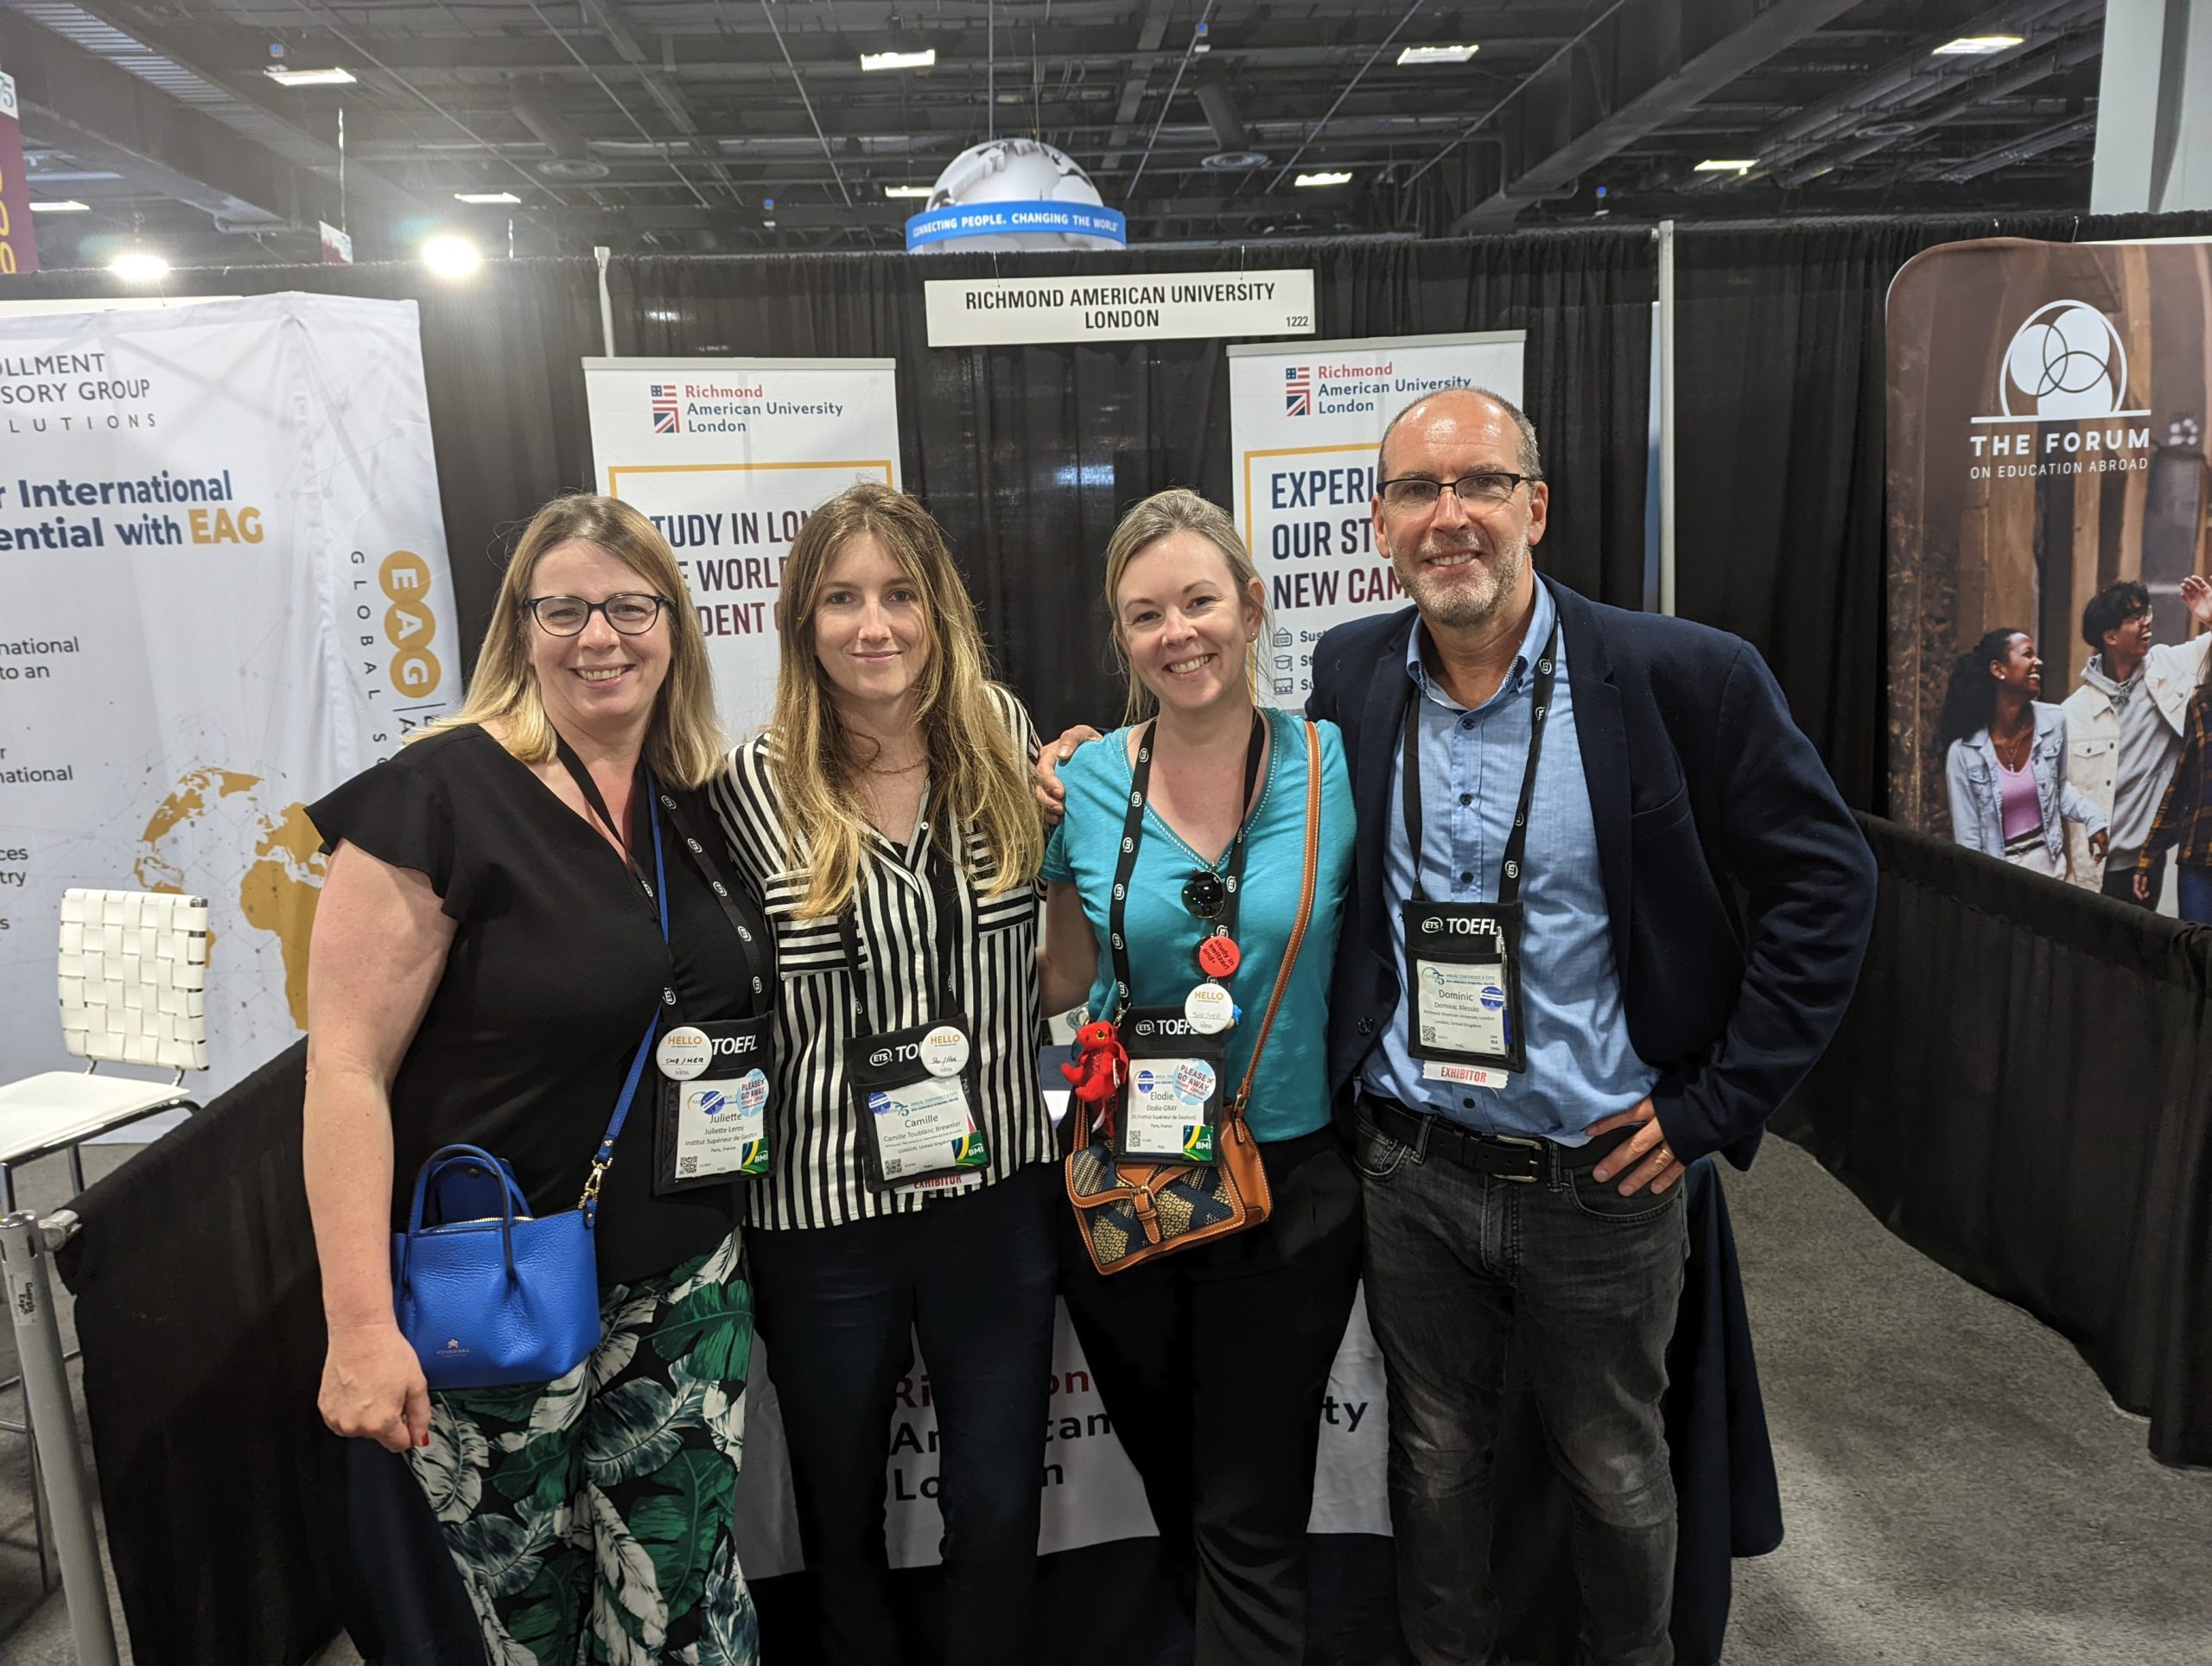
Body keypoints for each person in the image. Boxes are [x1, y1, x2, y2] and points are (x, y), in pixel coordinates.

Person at [1311, 387, 1872, 1666]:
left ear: (1536, 507)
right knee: (1433, 1460)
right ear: (1383, 524)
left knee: (1617, 1470)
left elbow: (1829, 887)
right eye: (1416, 491)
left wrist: (1714, 1108)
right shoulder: (1350, 671)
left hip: (1604, 1175)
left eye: (1482, 484)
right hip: (1411, 1166)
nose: (1449, 517)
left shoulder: (1684, 676)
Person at [305, 494, 768, 1664]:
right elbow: (345, 1071)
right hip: (494, 1288)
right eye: (563, 610)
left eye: (628, 607)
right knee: (528, 1620)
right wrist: (359, 1326)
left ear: (674, 626)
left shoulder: (697, 799)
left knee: (688, 1605)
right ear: (520, 628)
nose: (598, 637)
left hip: (683, 1280)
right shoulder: (439, 796)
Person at [705, 481, 1057, 1666]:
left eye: (901, 594)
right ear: (802, 623)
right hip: (821, 1217)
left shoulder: (1006, 742)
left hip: (998, 1191)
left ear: (940, 609)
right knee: (842, 1515)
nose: (876, 625)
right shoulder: (745, 791)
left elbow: (1053, 969)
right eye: (844, 599)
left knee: (1001, 1501)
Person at [1034, 489, 1360, 1663]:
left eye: (1200, 601)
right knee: (1182, 1494)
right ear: (1121, 639)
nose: (1179, 632)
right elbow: (1065, 982)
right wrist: (1053, 861)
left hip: (1291, 1187)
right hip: (1129, 1174)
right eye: (1146, 614)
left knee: (1249, 1511)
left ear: (1253, 608)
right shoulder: (1088, 782)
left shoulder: (1332, 764)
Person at [2059, 576, 2212, 903]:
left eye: (2147, 613)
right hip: (2092, 866)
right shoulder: (2073, 713)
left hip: (2144, 863)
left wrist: (2210, 617)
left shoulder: (2170, 667)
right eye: (2135, 618)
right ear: (2110, 636)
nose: (2147, 623)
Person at [1940, 628, 2107, 876]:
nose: (2038, 662)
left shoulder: (2054, 720)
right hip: (1998, 873)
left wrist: (2093, 818)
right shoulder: (1964, 752)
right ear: (1998, 670)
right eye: (2027, 655)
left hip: (2050, 869)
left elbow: (2058, 790)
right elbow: (1968, 840)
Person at [2137, 670, 2212, 923]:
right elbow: (2181, 784)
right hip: (2199, 859)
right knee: (2193, 956)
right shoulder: (2202, 702)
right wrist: (2150, 854)